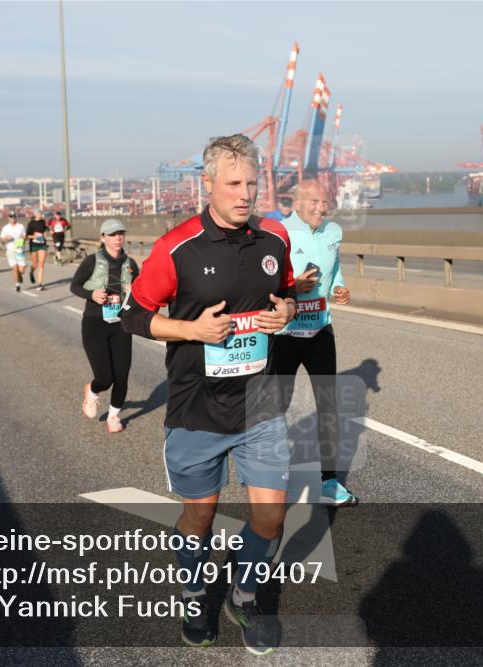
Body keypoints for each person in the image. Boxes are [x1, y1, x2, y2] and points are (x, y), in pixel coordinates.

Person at [120, 134, 297, 655]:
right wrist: (192, 331)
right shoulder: (176, 248)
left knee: (270, 517)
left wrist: (286, 310)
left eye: (252, 183)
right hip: (197, 410)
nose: (245, 194)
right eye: (234, 183)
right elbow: (131, 315)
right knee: (199, 517)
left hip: (261, 405)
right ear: (208, 184)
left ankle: (241, 594)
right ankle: (195, 590)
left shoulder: (273, 243)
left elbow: (288, 291)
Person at [270, 179, 355, 506]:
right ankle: (272, 473)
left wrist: (340, 288)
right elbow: (268, 282)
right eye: (317, 202)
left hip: (321, 330)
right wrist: (294, 286)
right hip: (286, 334)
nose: (323, 208)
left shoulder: (334, 232)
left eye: (326, 202)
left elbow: (335, 272)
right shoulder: (279, 233)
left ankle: (330, 482)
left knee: (329, 407)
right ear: (298, 202)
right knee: (277, 406)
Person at [70, 219, 138, 433]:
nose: (118, 238)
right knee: (105, 377)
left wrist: (134, 289)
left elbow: (142, 293)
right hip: (94, 324)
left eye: (120, 234)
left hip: (121, 324)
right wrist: (92, 294)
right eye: (112, 234)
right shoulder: (92, 261)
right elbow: (75, 286)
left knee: (122, 373)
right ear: (103, 238)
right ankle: (92, 390)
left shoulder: (131, 264)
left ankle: (114, 416)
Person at [0, 212, 27, 291]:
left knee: (21, 269)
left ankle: (19, 276)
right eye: (11, 217)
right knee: (15, 268)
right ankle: (17, 285)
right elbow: (1, 239)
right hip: (10, 250)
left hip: (20, 250)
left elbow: (25, 236)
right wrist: (6, 238)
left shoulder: (21, 226)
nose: (13, 218)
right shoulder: (5, 228)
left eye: (14, 216)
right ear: (8, 218)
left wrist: (23, 238)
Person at [26, 210, 49, 290]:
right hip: (34, 245)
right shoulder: (31, 223)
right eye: (38, 214)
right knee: (35, 264)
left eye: (41, 214)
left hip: (42, 244)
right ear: (35, 215)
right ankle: (31, 271)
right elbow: (27, 236)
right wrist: (34, 237)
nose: (40, 215)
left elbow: (46, 230)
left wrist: (46, 234)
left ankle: (40, 284)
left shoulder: (43, 222)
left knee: (41, 264)